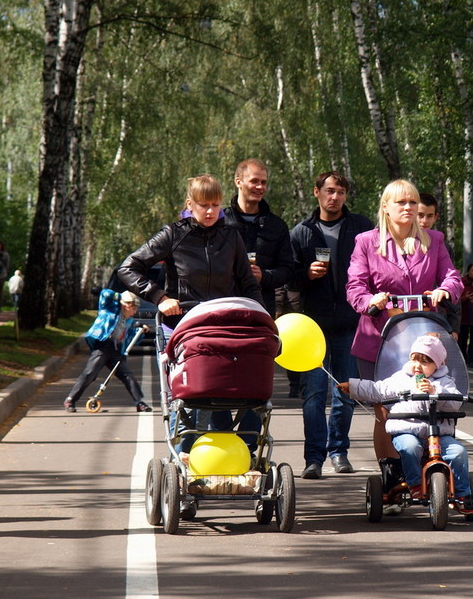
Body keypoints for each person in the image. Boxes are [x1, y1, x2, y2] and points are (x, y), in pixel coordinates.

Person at [118, 174, 264, 453]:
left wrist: (261, 319)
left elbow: (247, 283)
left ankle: (233, 449)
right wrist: (160, 297)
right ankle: (184, 450)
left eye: (215, 205)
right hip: (181, 324)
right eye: (203, 205)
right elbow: (128, 268)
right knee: (191, 391)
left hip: (222, 325)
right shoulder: (174, 234)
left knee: (230, 387)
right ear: (190, 204)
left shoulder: (231, 236)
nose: (210, 212)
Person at [346, 179, 463, 465]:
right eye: (401, 202)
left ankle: (423, 469)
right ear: (385, 207)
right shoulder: (366, 241)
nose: (408, 207)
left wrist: (445, 289)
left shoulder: (433, 240)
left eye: (412, 201)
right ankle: (391, 478)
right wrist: (370, 302)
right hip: (379, 340)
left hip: (423, 340)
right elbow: (355, 286)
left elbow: (452, 276)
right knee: (387, 411)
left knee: (429, 405)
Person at [290, 171, 373, 479]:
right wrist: (306, 275)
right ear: (317, 193)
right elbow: (288, 277)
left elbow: (375, 268)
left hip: (351, 322)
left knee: (346, 392)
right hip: (312, 327)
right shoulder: (301, 232)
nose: (334, 197)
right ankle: (314, 458)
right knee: (313, 393)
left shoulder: (362, 227)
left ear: (345, 195)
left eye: (340, 191)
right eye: (329, 191)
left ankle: (339, 451)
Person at [338, 333, 473, 512]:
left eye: (425, 362)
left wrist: (436, 391)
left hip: (438, 434)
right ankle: (415, 483)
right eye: (414, 359)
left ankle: (463, 494)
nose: (418, 365)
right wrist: (354, 387)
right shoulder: (400, 379)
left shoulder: (445, 382)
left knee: (458, 452)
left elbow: (455, 403)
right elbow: (377, 390)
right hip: (407, 431)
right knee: (409, 447)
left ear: (439, 364)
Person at [222, 158, 297, 315]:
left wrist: (264, 275)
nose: (260, 187)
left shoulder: (277, 226)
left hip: (261, 308)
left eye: (263, 182)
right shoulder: (220, 222)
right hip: (224, 306)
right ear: (238, 182)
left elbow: (287, 269)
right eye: (254, 181)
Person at [64, 290, 152, 413]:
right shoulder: (110, 310)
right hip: (103, 345)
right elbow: (105, 293)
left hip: (117, 349)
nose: (135, 312)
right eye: (134, 308)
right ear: (128, 305)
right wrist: (121, 296)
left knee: (127, 376)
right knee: (90, 373)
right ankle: (70, 400)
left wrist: (141, 332)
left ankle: (139, 403)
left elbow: (133, 341)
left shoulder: (130, 322)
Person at [418, 192, 460, 339]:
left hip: (437, 317)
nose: (424, 221)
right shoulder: (397, 244)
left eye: (429, 216)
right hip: (405, 316)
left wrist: (454, 327)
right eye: (420, 215)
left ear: (435, 217)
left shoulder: (442, 245)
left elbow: (452, 282)